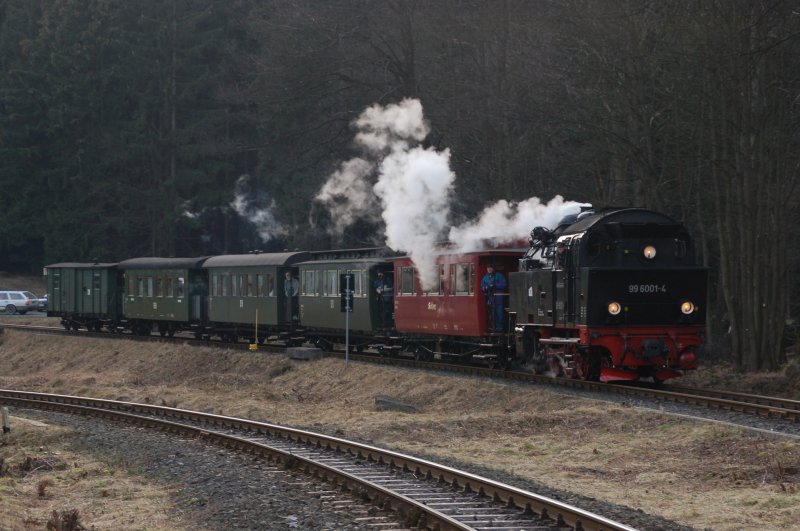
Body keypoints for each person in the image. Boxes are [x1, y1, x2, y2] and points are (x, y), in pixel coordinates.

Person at [480, 265, 507, 332]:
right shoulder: (485, 278)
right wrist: (487, 287)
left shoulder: (499, 275)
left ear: (493, 268)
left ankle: (500, 328)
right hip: (490, 298)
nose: (489, 269)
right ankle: (493, 327)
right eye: (488, 268)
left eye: (491, 267)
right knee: (492, 314)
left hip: (499, 298)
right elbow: (482, 287)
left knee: (499, 313)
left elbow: (504, 284)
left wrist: (495, 285)